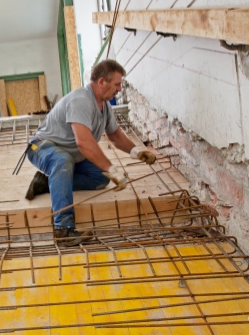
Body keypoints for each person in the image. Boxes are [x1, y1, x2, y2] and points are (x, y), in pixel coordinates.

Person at [24, 59, 157, 246]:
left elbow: (115, 135)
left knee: (100, 177)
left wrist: (136, 152)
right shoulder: (81, 101)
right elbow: (84, 142)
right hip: (40, 147)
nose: (119, 89)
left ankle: (46, 182)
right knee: (62, 161)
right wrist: (112, 169)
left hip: (68, 153)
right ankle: (63, 229)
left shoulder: (104, 106)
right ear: (102, 81)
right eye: (117, 84)